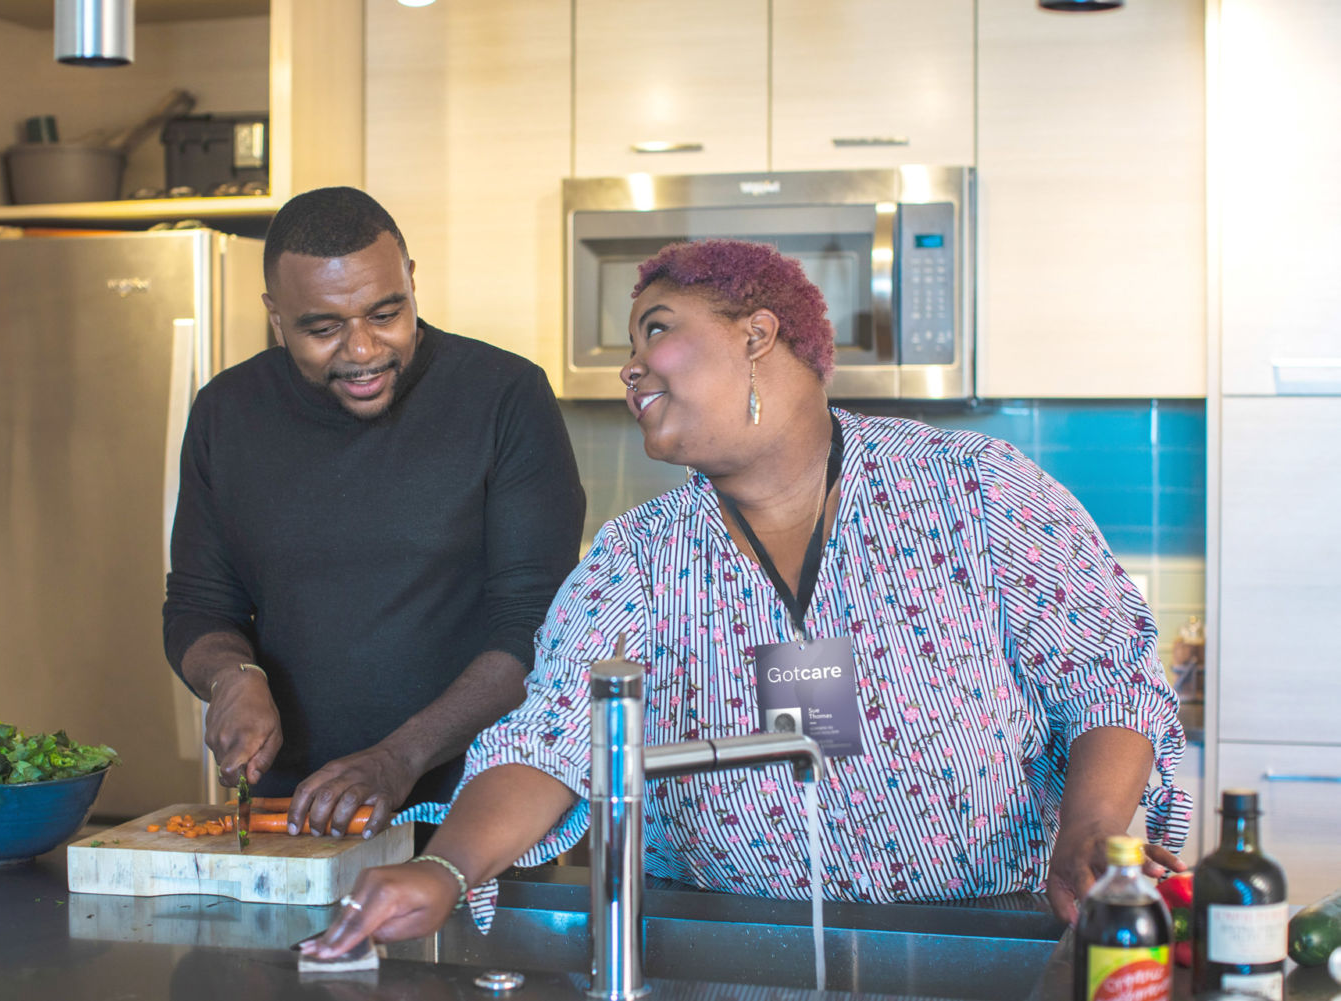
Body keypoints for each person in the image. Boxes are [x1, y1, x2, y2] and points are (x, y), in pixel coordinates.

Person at [300, 238, 1189, 958]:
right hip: (721, 942)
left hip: (982, 936)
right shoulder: (640, 555)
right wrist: (448, 868)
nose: (630, 368)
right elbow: (552, 741)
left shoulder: (975, 489)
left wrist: (1091, 830)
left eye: (655, 331)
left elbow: (1104, 678)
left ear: (759, 334)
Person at [162, 187, 586, 838]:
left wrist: (398, 757)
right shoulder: (227, 412)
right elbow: (198, 604)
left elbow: (537, 627)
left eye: (386, 314)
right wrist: (231, 677)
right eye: (323, 328)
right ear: (276, 316)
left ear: (411, 281)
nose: (362, 350)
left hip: (479, 819)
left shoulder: (504, 397)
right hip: (293, 817)